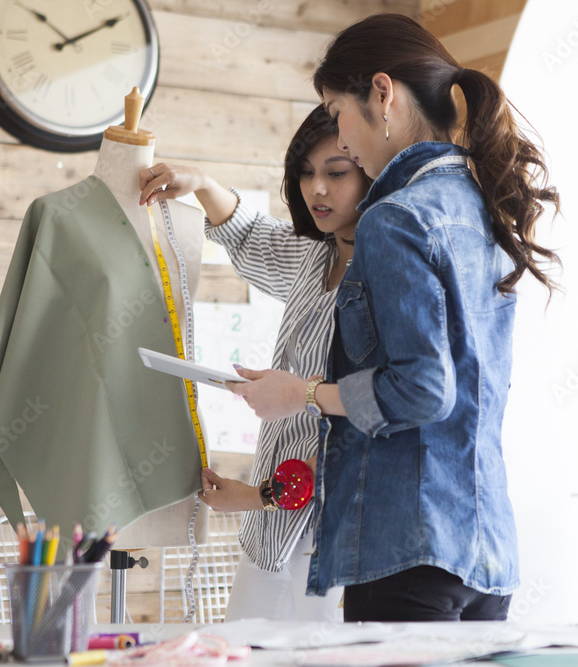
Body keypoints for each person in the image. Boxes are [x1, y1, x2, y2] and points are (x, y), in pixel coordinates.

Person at [217, 13, 561, 622]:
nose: (341, 138)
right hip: (486, 549)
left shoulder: (396, 215)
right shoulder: (482, 204)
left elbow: (424, 391)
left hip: (405, 548)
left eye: (337, 112)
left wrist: (303, 393)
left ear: (382, 93)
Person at [137, 106, 372, 621]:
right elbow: (248, 235)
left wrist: (261, 495)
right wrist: (200, 182)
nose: (317, 190)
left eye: (336, 173)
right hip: (270, 532)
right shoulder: (317, 256)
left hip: (330, 533)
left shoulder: (382, 278)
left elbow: (365, 429)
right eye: (307, 173)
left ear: (371, 169)